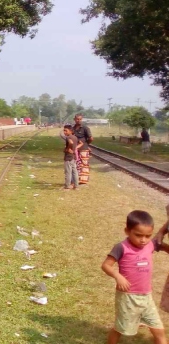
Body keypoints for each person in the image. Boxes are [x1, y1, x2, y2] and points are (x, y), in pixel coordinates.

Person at [102, 210, 167, 344]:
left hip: (146, 297)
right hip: (128, 297)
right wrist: (118, 276)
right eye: (138, 235)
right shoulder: (121, 247)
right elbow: (106, 265)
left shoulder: (150, 245)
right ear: (127, 231)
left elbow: (162, 246)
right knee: (120, 328)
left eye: (148, 236)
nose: (143, 240)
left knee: (159, 329)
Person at [73, 113, 93, 185]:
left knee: (84, 163)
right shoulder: (73, 128)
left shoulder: (85, 128)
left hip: (84, 148)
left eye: (80, 119)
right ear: (74, 119)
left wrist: (86, 144)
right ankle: (77, 178)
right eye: (77, 119)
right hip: (75, 148)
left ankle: (84, 180)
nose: (78, 120)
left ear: (82, 119)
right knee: (77, 163)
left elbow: (91, 138)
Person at [62, 124, 81, 190]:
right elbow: (80, 143)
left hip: (68, 157)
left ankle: (67, 186)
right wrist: (73, 149)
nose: (64, 132)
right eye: (64, 131)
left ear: (71, 131)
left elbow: (71, 143)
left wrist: (67, 148)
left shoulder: (68, 137)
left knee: (68, 172)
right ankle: (76, 186)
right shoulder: (75, 137)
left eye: (66, 131)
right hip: (73, 156)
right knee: (74, 171)